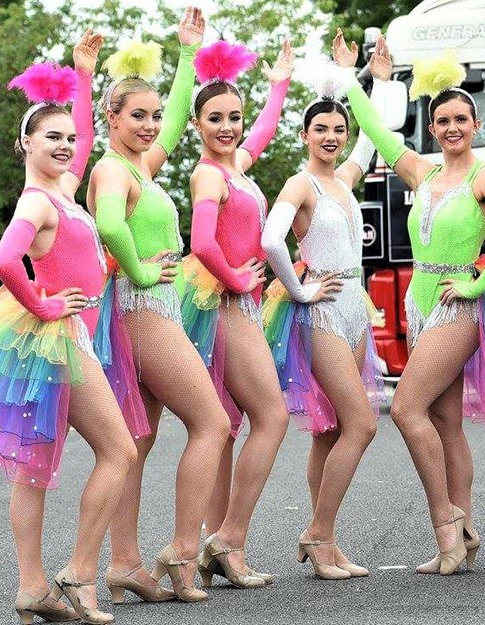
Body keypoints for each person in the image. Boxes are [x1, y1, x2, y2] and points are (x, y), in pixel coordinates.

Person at [335, 31, 485, 575]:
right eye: (440, 121)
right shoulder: (423, 171)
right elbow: (374, 128)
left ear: (476, 125)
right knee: (444, 422)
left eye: (459, 121)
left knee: (404, 409)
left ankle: (445, 523)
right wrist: (358, 79)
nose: (449, 129)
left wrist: (475, 283)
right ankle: (462, 532)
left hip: (458, 303)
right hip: (420, 303)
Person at [0, 32, 142, 624]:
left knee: (35, 468)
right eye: (53, 137)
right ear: (25, 142)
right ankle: (78, 572)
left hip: (62, 341)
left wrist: (83, 75)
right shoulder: (37, 202)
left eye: (69, 137)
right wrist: (43, 307)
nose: (68, 146)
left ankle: (32, 588)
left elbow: (89, 141)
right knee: (118, 451)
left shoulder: (62, 191)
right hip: (58, 340)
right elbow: (1, 260)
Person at [87, 7, 231, 603]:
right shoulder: (113, 170)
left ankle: (124, 563)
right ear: (110, 118)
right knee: (213, 423)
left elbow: (175, 117)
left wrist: (187, 56)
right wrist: (143, 268)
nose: (150, 125)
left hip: (147, 307)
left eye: (149, 116)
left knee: (138, 439)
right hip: (141, 306)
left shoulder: (140, 163)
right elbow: (110, 226)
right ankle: (179, 550)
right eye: (135, 116)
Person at [261, 50, 388, 580]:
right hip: (321, 313)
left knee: (331, 430)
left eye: (338, 129)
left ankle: (327, 543)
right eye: (321, 129)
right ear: (305, 135)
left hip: (355, 309)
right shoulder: (302, 184)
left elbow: (372, 139)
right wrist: (297, 290)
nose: (332, 137)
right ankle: (317, 534)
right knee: (361, 423)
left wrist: (373, 82)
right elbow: (271, 239)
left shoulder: (343, 181)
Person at [180, 39, 293, 588]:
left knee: (227, 425)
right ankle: (228, 539)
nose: (227, 127)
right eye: (215, 119)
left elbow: (263, 134)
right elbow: (202, 242)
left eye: (234, 118)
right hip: (221, 302)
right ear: (197, 124)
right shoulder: (208, 175)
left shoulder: (239, 166)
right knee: (271, 417)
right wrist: (236, 279)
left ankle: (217, 542)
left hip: (233, 302)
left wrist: (279, 88)